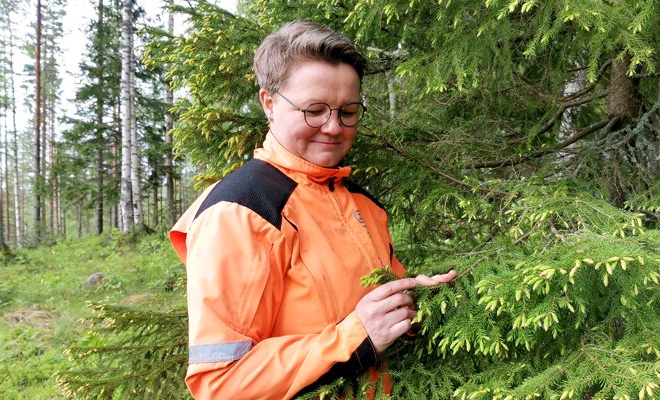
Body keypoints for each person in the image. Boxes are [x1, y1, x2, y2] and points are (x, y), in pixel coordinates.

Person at [169, 20, 456, 400]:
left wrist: (412, 306)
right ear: (268, 103)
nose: (334, 128)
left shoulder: (362, 205)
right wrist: (356, 335)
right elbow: (221, 382)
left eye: (348, 111)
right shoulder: (243, 211)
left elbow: (374, 317)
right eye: (315, 109)